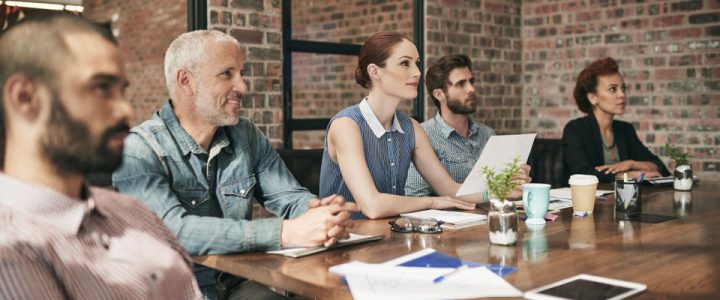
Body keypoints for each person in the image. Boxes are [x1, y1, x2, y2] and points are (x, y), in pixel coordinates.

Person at [112, 30, 356, 300]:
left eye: (241, 73)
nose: (242, 86)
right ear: (186, 81)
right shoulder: (137, 149)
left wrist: (321, 214)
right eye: (226, 74)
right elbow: (172, 231)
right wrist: (285, 232)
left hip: (235, 286)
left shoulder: (246, 135)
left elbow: (288, 197)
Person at [0, 15, 200, 299]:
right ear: (25, 97)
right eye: (101, 88)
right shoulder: (10, 247)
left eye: (121, 90)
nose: (125, 111)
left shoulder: (133, 211)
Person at [319, 32, 493, 220]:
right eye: (405, 63)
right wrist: (432, 202)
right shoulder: (346, 126)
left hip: (391, 240)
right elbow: (372, 206)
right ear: (374, 71)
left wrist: (502, 191)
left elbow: (451, 190)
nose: (417, 72)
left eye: (416, 63)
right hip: (345, 241)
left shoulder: (412, 128)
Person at [405, 54, 531, 197]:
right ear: (439, 94)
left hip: (490, 217)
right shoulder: (424, 136)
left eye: (471, 81)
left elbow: (501, 191)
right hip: (448, 219)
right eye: (461, 84)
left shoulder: (488, 135)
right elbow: (416, 198)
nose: (471, 89)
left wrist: (516, 181)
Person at [562, 57, 670, 183]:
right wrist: (630, 175)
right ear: (593, 98)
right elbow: (581, 175)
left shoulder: (625, 130)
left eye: (623, 88)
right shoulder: (576, 129)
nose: (622, 94)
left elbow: (659, 167)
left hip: (623, 200)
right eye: (613, 89)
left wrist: (631, 164)